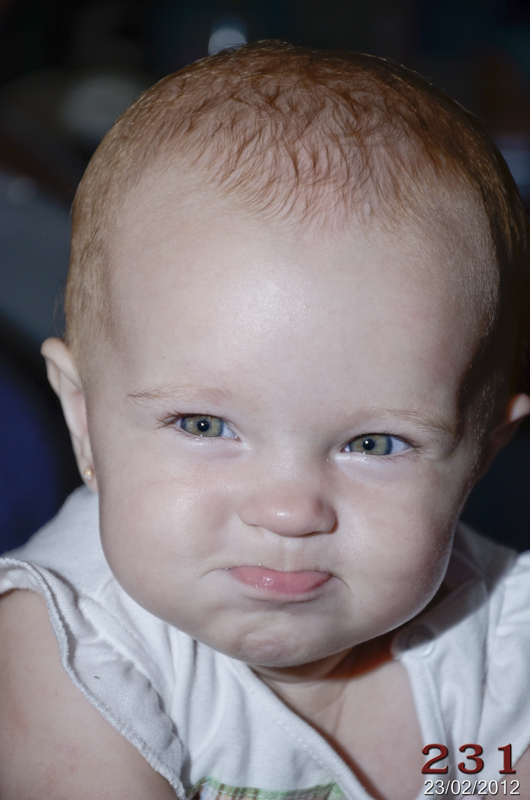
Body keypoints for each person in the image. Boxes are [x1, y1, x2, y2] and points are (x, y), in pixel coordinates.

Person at [0, 41, 529, 800]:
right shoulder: (68, 652)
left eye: (374, 443)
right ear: (84, 420)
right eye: (204, 426)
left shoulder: (502, 648)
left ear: (482, 454)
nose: (288, 510)